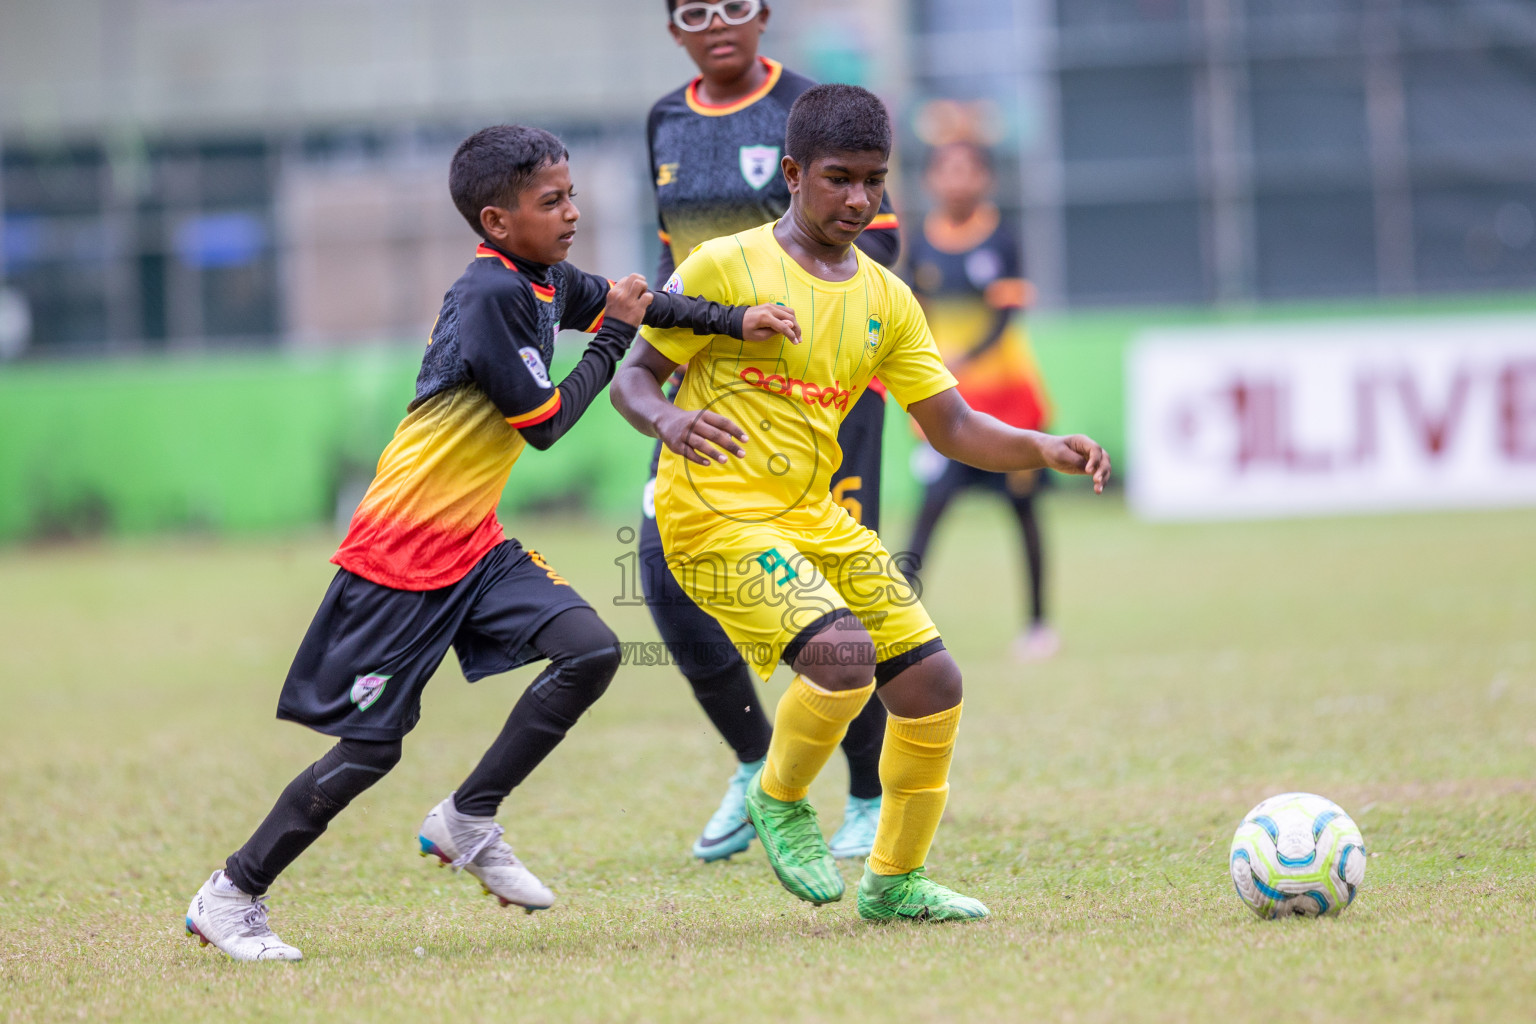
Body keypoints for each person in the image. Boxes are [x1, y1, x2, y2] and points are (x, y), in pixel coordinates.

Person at [183, 124, 797, 962]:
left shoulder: (538, 280)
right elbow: (543, 424)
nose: (574, 212)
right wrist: (613, 339)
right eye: (554, 202)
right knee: (369, 751)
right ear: (497, 220)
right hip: (401, 549)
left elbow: (643, 301)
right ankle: (232, 894)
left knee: (588, 649)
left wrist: (735, 319)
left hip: (471, 539)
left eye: (572, 194)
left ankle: (468, 817)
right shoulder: (487, 297)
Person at [611, 85, 1110, 922]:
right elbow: (632, 378)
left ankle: (894, 882)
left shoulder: (885, 297)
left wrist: (1040, 446)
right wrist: (671, 419)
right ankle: (778, 797)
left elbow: (949, 423)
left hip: (812, 515)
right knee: (841, 659)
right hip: (711, 518)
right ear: (795, 174)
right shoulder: (724, 266)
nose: (856, 199)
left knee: (933, 683)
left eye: (873, 181)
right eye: (838, 178)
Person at [640, 0, 901, 863]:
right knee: (664, 573)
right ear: (673, 26)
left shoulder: (817, 110)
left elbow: (877, 248)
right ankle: (756, 766)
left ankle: (865, 796)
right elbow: (677, 258)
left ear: (765, 17)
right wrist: (693, 337)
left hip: (819, 391)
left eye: (736, 6)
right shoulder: (665, 120)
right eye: (695, 10)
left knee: (846, 592)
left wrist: (809, 333)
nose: (718, 23)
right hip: (706, 387)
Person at [904, 141, 1059, 662]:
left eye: (967, 171)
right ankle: (893, 623)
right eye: (946, 170)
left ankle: (1039, 625)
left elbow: (1005, 317)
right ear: (931, 181)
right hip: (949, 404)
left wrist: (964, 355)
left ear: (985, 180)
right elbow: (913, 315)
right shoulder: (921, 244)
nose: (957, 180)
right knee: (931, 507)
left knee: (1023, 509)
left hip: (1008, 399)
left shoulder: (1003, 238)